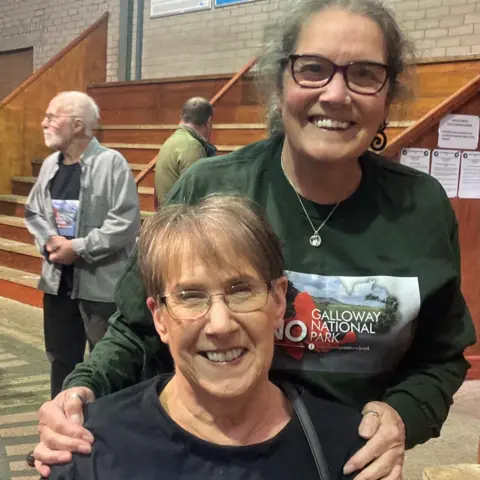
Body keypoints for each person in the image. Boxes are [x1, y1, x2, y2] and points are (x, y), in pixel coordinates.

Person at [33, 1, 476, 479]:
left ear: (388, 94)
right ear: (279, 80)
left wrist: (402, 416)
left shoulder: (420, 208)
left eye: (365, 74)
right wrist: (81, 391)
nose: (336, 93)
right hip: (204, 457)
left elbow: (441, 355)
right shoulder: (211, 188)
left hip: (341, 462)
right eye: (313, 69)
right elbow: (139, 326)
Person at [47, 195, 366, 480]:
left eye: (241, 290)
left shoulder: (344, 451)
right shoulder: (92, 448)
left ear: (279, 301)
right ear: (159, 317)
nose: (220, 325)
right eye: (191, 296)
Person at [24, 91, 140, 402]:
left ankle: (109, 435)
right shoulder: (50, 165)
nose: (44, 123)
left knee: (108, 365)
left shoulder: (111, 163)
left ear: (77, 125)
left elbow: (125, 222)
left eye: (52, 117)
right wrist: (49, 242)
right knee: (61, 361)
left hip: (99, 288)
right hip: (58, 285)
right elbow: (34, 211)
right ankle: (62, 430)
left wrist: (78, 247)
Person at [154, 96, 216, 206]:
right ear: (209, 121)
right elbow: (196, 199)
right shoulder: (192, 146)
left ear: (182, 117)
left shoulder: (172, 140)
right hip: (180, 219)